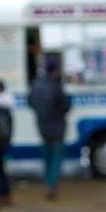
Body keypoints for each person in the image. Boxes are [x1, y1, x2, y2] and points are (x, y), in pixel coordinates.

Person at [28, 60, 71, 200]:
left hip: (42, 125)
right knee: (56, 156)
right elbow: (65, 106)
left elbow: (30, 102)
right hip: (58, 126)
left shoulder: (36, 84)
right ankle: (52, 184)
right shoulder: (56, 85)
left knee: (46, 154)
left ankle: (48, 181)